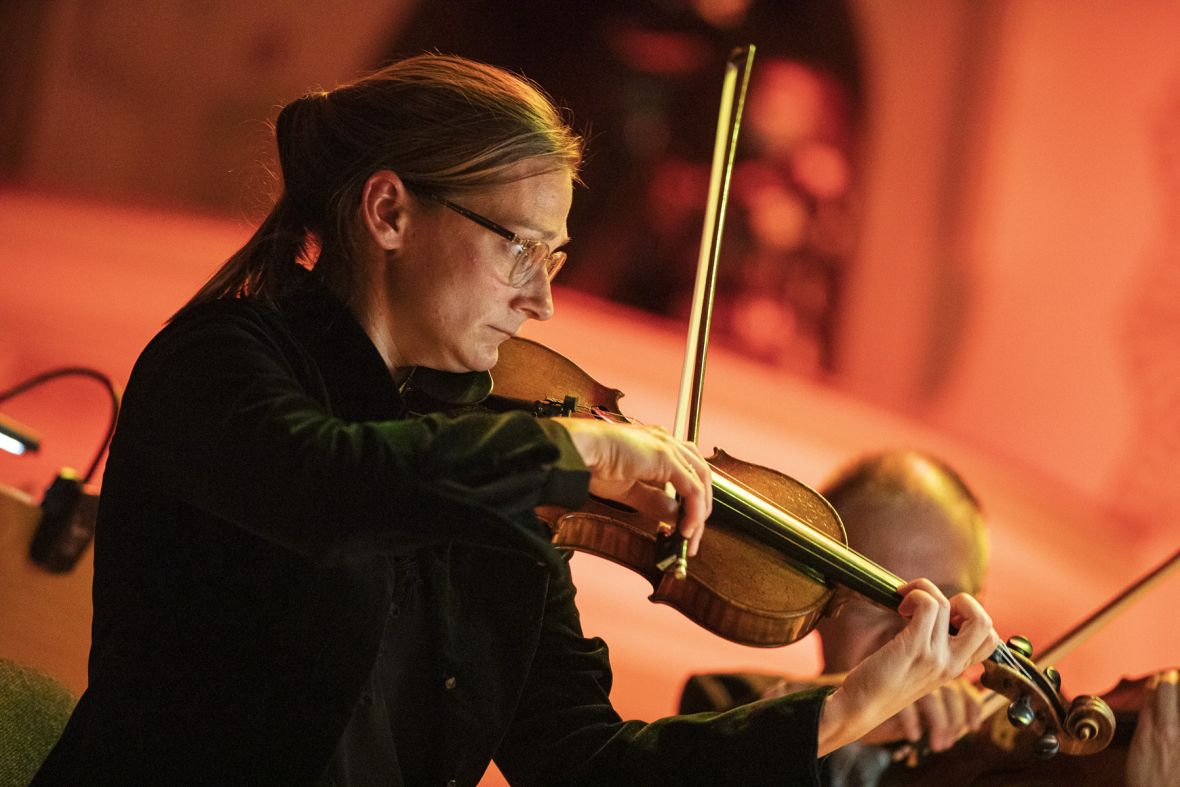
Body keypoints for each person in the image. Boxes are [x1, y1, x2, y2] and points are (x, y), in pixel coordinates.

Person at [34, 55, 998, 786]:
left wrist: (850, 705)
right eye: (519, 249)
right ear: (388, 211)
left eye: (559, 257)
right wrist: (575, 449)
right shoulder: (222, 364)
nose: (541, 301)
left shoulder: (505, 471)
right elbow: (326, 483)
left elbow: (584, 763)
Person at [680, 451, 1180, 787]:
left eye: (950, 604)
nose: (917, 632)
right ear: (816, 601)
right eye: (880, 595)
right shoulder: (729, 708)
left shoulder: (1022, 752)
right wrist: (843, 715)